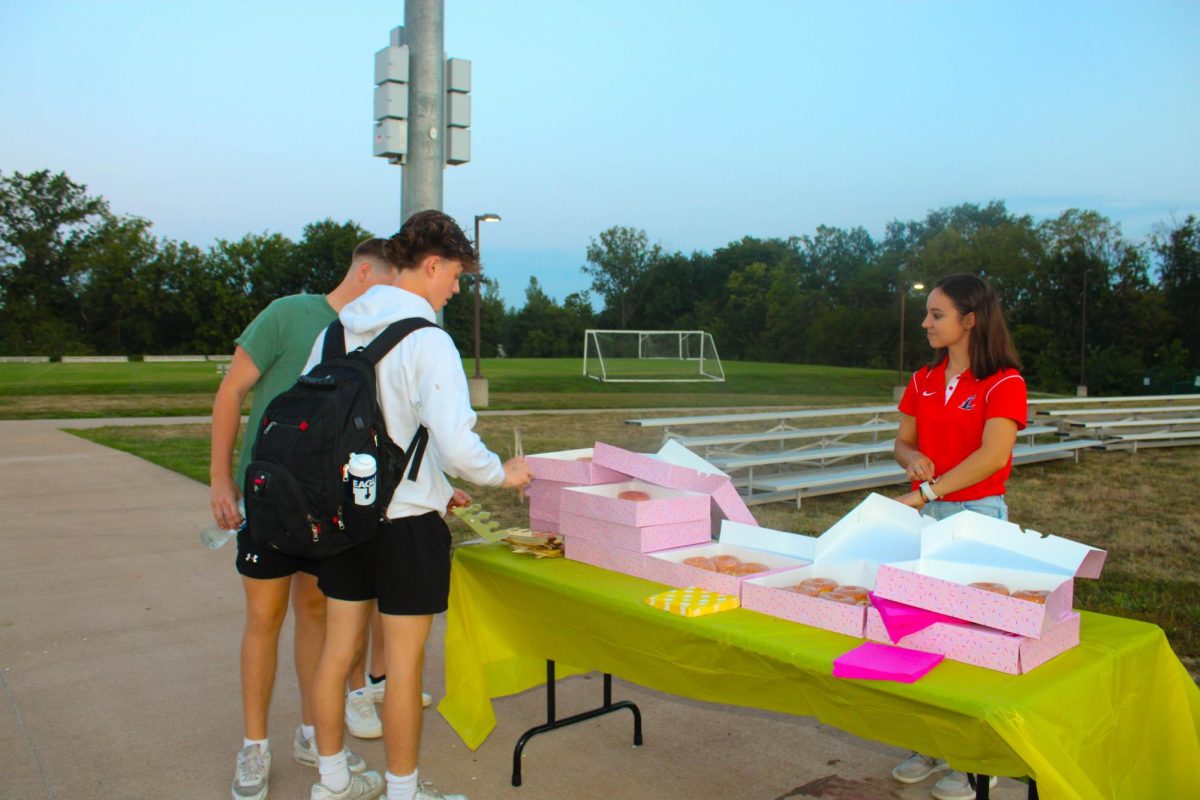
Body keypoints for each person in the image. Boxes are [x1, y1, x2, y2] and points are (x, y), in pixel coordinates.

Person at [304, 210, 533, 800]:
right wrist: (499, 474)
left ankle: (330, 782)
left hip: (340, 517)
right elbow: (456, 442)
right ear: (432, 266)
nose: (456, 289)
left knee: (337, 653)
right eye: (455, 275)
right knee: (402, 668)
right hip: (405, 526)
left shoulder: (333, 332)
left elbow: (351, 428)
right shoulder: (428, 339)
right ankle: (402, 793)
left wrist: (431, 476)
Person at [210, 239, 400, 800]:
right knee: (264, 617)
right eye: (387, 284)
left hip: (325, 510)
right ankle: (254, 746)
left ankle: (312, 733)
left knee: (315, 613)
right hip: (267, 498)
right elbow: (230, 393)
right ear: (364, 272)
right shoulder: (289, 314)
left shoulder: (371, 335)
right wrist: (221, 478)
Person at [891, 273, 1026, 800]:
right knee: (924, 631)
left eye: (936, 314)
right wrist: (912, 460)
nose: (926, 322)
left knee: (972, 640)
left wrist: (928, 492)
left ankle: (979, 760)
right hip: (930, 514)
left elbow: (994, 456)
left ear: (970, 321)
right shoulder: (924, 379)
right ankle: (934, 741)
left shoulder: (1004, 382)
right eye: (927, 314)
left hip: (976, 519)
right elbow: (901, 443)